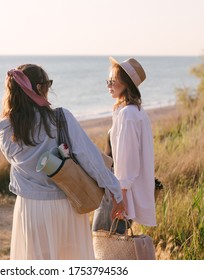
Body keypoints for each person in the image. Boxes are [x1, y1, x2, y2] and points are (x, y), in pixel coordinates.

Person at [0, 64, 124, 260]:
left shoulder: (6, 130)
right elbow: (90, 159)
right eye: (47, 84)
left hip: (31, 207)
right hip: (67, 202)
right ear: (39, 88)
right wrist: (115, 191)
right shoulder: (61, 118)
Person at [92, 57, 156, 234]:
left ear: (126, 84)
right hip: (117, 187)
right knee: (111, 239)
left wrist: (122, 195)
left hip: (116, 190)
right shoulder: (133, 111)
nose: (108, 85)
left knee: (104, 237)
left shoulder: (128, 114)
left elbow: (128, 157)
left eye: (112, 81)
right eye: (108, 81)